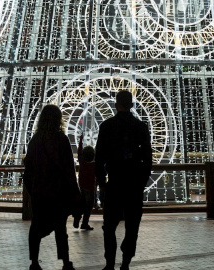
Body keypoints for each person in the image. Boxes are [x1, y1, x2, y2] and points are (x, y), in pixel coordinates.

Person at [95, 91, 152, 270]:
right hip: (134, 184)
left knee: (109, 226)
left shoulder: (107, 126)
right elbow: (148, 157)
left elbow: (99, 158)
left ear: (116, 105)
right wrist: (143, 180)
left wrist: (102, 182)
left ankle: (109, 263)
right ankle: (126, 261)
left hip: (115, 182)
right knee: (132, 225)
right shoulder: (141, 127)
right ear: (132, 105)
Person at [23, 104, 81, 270]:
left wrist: (33, 190)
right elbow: (69, 169)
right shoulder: (62, 140)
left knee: (36, 227)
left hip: (40, 193)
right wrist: (74, 193)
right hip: (58, 193)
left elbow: (29, 169)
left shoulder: (35, 141)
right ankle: (65, 262)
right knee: (60, 229)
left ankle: (34, 262)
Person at [73, 133, 96, 230]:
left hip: (82, 186)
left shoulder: (82, 162)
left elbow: (79, 152)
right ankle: (84, 223)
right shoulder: (95, 165)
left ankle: (77, 217)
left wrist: (81, 140)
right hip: (91, 188)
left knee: (82, 205)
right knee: (89, 207)